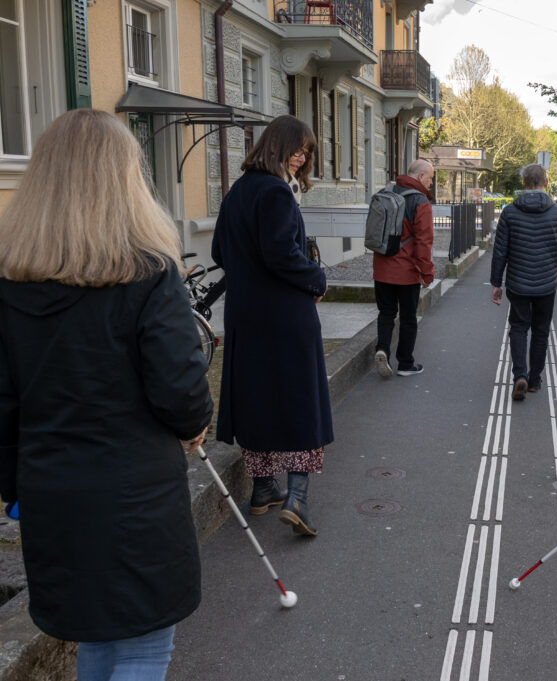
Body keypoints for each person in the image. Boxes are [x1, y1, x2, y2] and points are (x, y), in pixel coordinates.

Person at [0, 109, 212, 680]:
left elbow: (4, 401)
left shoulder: (11, 279)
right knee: (142, 646)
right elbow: (180, 389)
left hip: (52, 492)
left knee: (96, 640)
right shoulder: (149, 271)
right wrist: (195, 423)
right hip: (133, 493)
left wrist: (14, 483)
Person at [212, 115, 332, 537]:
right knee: (303, 398)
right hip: (286, 315)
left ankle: (263, 489)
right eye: (297, 149)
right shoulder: (277, 192)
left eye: (307, 152)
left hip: (246, 314)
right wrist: (316, 278)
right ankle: (297, 498)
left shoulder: (238, 192)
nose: (302, 157)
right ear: (276, 145)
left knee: (258, 396)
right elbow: (281, 253)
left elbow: (218, 251)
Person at [490, 164, 557, 400]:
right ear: (545, 183)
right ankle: (534, 380)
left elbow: (500, 251)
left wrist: (496, 282)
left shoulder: (510, 213)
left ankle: (519, 376)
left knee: (519, 327)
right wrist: (547, 270)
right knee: (541, 331)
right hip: (546, 285)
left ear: (523, 183)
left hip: (518, 283)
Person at [373, 159, 436, 378]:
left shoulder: (385, 193)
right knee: (408, 317)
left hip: (381, 267)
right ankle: (405, 364)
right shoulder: (420, 202)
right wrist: (427, 273)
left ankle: (382, 348)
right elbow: (423, 243)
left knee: (386, 312)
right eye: (429, 178)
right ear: (420, 177)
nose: (430, 183)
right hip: (407, 272)